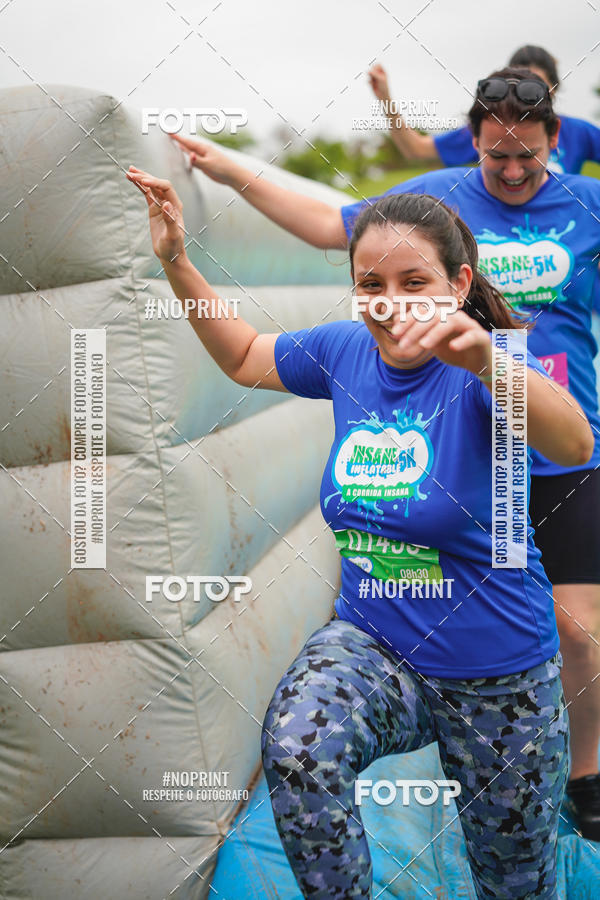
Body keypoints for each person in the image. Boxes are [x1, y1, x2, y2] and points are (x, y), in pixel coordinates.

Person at [127, 162, 593, 897]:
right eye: (371, 285)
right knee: (296, 747)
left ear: (459, 284)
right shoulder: (347, 351)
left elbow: (575, 445)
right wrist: (177, 261)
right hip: (378, 646)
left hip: (498, 670)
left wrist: (485, 362)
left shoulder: (491, 363)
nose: (390, 304)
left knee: (516, 883)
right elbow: (245, 355)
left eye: (414, 283)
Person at [368, 45, 600, 175]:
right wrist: (386, 99)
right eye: (520, 87)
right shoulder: (490, 131)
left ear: (554, 89)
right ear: (479, 141)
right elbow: (416, 149)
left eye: (536, 89)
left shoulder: (579, 132)